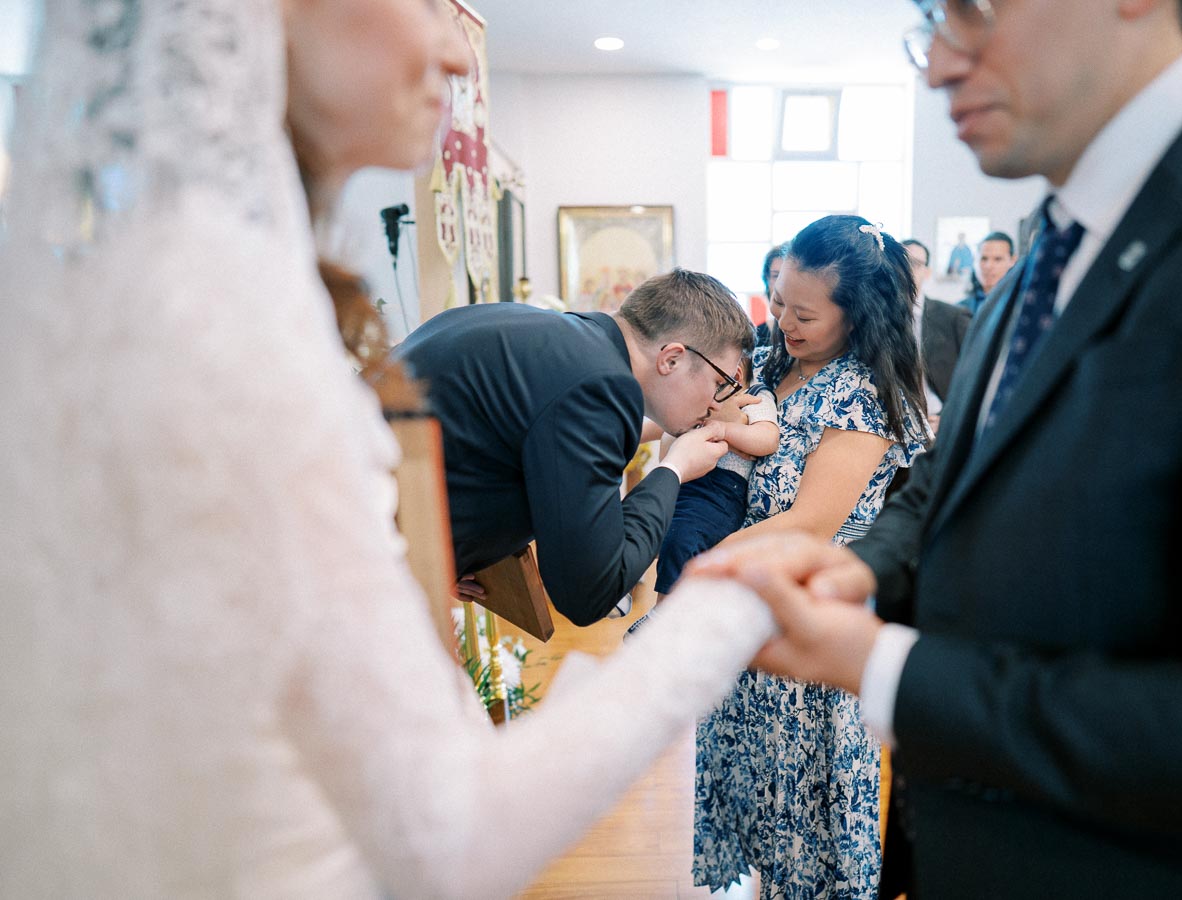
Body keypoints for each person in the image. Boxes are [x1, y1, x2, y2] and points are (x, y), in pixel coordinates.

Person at [0, 0, 780, 896]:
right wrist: (724, 618)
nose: (457, 47)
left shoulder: (237, 276)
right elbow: (445, 829)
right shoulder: (210, 317)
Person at [691, 0, 1182, 897]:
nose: (937, 67)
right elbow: (947, 483)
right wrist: (868, 572)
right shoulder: (1051, 254)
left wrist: (888, 667)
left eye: (969, 12)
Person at [692, 215, 929, 898]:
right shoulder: (775, 365)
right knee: (766, 798)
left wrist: (702, 565)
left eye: (805, 313)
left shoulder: (858, 393)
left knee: (809, 812)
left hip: (808, 608)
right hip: (753, 601)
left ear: (856, 316)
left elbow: (810, 522)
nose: (784, 322)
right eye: (778, 302)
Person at [395, 268, 751, 626]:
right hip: (367, 569)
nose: (716, 403)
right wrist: (673, 469)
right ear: (671, 358)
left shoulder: (566, 339)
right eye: (719, 382)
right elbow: (588, 593)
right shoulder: (601, 387)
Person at [624, 361, 780, 639]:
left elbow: (767, 438)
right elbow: (658, 426)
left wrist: (725, 429)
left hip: (718, 490)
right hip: (681, 479)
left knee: (682, 538)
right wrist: (620, 433)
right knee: (636, 515)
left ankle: (664, 615)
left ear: (735, 374)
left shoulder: (756, 396)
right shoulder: (696, 398)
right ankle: (617, 584)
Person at [902, 237, 972, 433]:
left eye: (915, 264)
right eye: (899, 263)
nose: (906, 271)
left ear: (927, 272)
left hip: (939, 424)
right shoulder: (876, 319)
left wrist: (950, 420)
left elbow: (973, 377)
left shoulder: (953, 317)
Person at [958, 230, 1016, 316]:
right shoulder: (959, 310)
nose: (988, 266)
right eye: (983, 259)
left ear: (1012, 261)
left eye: (998, 259)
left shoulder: (1021, 307)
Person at [754, 242, 787, 346]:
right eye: (776, 276)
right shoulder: (757, 334)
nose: (780, 284)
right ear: (767, 280)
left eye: (786, 276)